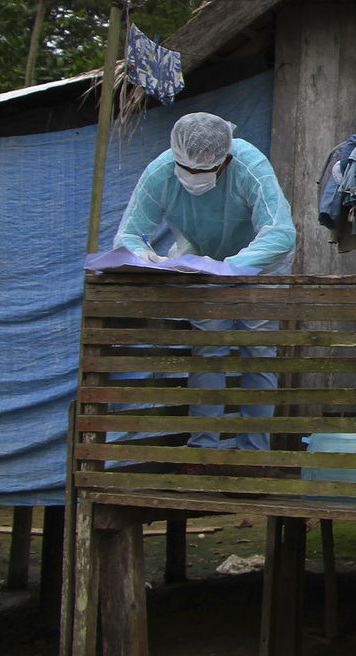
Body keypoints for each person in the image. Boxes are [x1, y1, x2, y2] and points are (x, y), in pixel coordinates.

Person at [114, 112, 296, 453]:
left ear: (225, 160)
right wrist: (143, 256)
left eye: (205, 170)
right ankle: (203, 447)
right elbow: (130, 232)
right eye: (188, 169)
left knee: (257, 352)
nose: (195, 176)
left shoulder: (249, 164)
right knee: (208, 350)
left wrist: (230, 267)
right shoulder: (160, 172)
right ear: (175, 157)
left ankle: (253, 452)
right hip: (200, 263)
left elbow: (280, 232)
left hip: (259, 266)